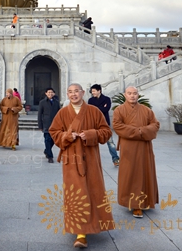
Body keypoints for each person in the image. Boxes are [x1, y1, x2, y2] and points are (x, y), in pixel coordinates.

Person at [48, 83, 114, 248]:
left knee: (93, 191)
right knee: (76, 194)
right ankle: (80, 233)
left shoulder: (94, 111)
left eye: (76, 91)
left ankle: (96, 223)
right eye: (70, 92)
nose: (73, 94)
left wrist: (91, 134)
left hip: (91, 159)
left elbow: (106, 132)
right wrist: (67, 136)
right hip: (71, 160)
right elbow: (54, 132)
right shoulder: (63, 113)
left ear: (83, 93)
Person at [112, 86, 160, 218]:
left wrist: (141, 131)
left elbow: (155, 125)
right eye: (129, 93)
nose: (132, 96)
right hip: (128, 147)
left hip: (144, 147)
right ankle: (134, 204)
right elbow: (117, 126)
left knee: (144, 173)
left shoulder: (146, 110)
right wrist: (139, 132)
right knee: (130, 174)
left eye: (134, 93)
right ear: (125, 95)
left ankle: (145, 202)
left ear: (138, 95)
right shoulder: (119, 110)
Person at [88, 84, 120, 166]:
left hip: (105, 123)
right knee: (92, 142)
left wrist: (96, 108)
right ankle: (91, 160)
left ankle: (115, 159)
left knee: (110, 142)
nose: (92, 93)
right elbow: (90, 111)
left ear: (99, 91)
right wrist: (101, 107)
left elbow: (106, 109)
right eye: (92, 91)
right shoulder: (90, 100)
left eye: (94, 91)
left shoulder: (107, 99)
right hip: (94, 124)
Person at [37, 87, 60, 163]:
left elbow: (59, 113)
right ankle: (50, 156)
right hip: (46, 124)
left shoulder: (56, 102)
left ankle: (47, 150)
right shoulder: (42, 102)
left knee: (54, 140)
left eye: (51, 92)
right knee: (47, 140)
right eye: (49, 92)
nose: (50, 94)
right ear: (46, 93)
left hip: (55, 124)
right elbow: (39, 114)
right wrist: (40, 125)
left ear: (54, 93)